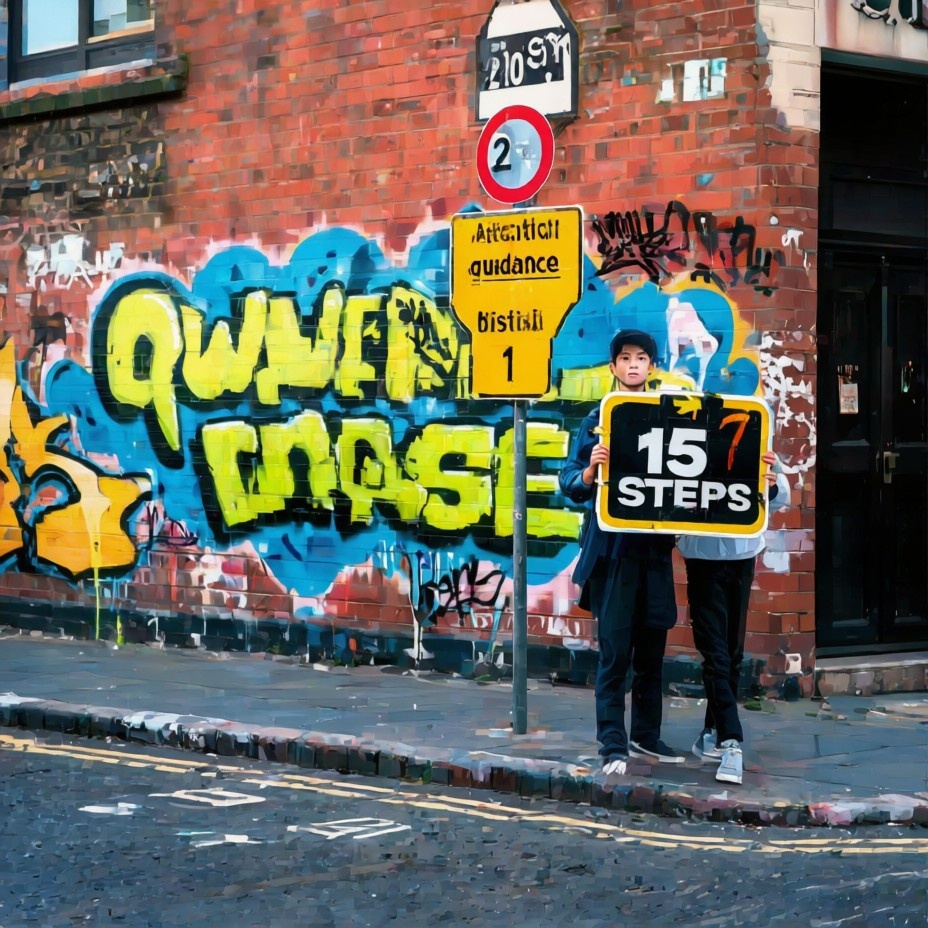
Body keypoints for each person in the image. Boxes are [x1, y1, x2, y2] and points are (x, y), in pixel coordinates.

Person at [559, 329, 684, 776]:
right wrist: (591, 470)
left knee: (652, 654)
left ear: (652, 366)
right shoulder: (597, 419)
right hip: (613, 555)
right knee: (614, 654)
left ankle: (646, 737)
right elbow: (568, 480)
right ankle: (612, 743)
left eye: (642, 358)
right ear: (613, 367)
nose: (634, 364)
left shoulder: (669, 417)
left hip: (654, 552)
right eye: (626, 358)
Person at [678, 449, 790, 785]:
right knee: (715, 652)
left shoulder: (756, 435)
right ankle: (731, 741)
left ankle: (711, 732)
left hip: (742, 552)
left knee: (732, 652)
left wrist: (771, 484)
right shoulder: (688, 438)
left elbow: (781, 495)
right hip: (702, 553)